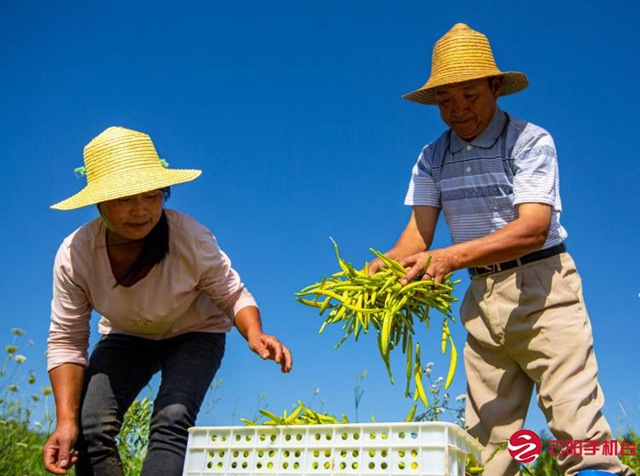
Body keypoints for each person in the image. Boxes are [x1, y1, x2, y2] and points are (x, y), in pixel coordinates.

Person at [368, 23, 634, 476]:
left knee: (579, 433)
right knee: (488, 451)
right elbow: (416, 238)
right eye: (445, 100)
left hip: (544, 290)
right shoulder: (432, 157)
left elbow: (533, 228)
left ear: (495, 87)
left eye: (469, 95)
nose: (457, 109)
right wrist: (383, 267)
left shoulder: (529, 141)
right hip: (482, 296)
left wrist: (450, 257)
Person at [42, 126, 293, 476]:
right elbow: (67, 341)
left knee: (172, 419)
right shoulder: (76, 255)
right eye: (124, 199)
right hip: (126, 337)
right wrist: (65, 421)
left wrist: (254, 333)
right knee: (90, 428)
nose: (140, 210)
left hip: (196, 333)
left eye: (152, 195)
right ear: (98, 203)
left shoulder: (189, 237)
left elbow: (233, 293)